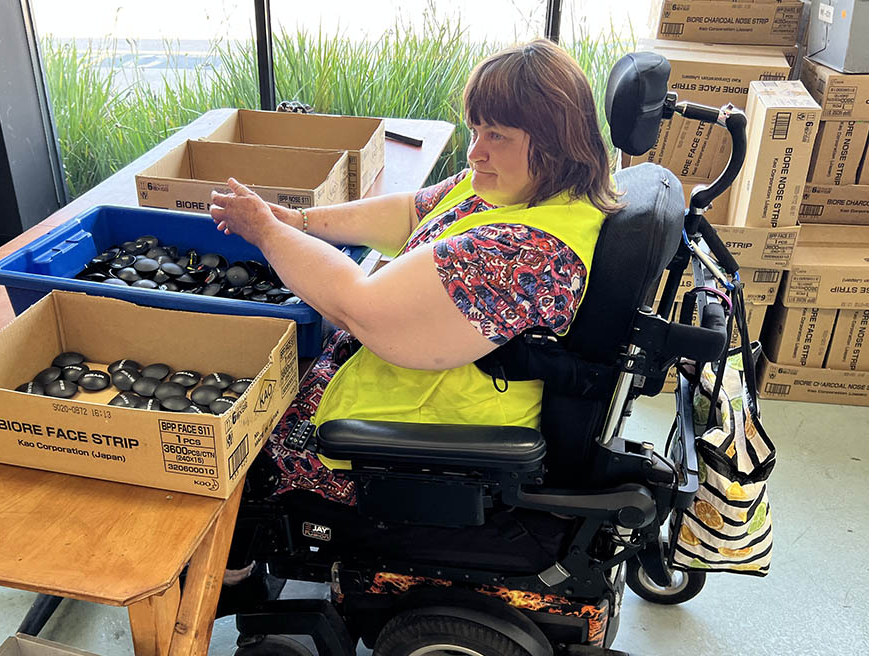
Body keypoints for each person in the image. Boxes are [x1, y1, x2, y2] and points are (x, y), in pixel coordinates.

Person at [210, 38, 620, 570]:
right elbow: (414, 213)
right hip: (390, 382)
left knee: (240, 438)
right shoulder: (517, 186)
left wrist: (266, 232)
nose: (476, 152)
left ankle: (238, 569)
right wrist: (301, 222)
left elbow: (359, 306)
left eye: (497, 135)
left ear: (554, 142)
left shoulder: (528, 252)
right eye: (476, 131)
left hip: (413, 441)